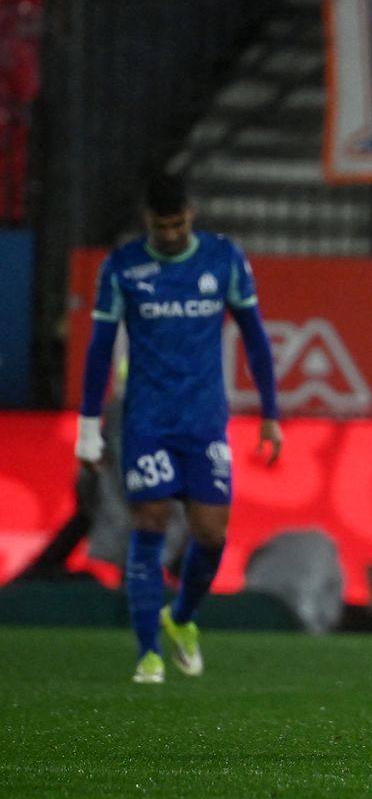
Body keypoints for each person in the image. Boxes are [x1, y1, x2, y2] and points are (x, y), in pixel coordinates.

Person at [75, 173, 282, 684]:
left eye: (179, 223)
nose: (171, 234)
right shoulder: (123, 267)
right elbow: (100, 349)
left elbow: (255, 339)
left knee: (211, 533)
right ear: (147, 221)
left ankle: (182, 618)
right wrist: (87, 425)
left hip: (204, 420)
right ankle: (148, 653)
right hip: (146, 418)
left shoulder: (224, 259)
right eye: (161, 225)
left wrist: (271, 414)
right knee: (147, 521)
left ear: (191, 214)